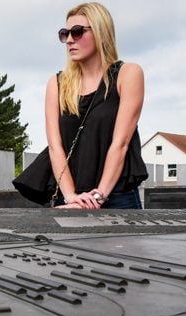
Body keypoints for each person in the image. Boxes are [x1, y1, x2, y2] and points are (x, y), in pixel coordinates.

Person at [46, 2, 147, 209]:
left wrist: (98, 197)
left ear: (100, 32)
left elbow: (121, 143)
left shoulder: (128, 74)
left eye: (77, 32)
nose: (70, 40)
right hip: (71, 196)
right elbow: (55, 146)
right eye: (65, 34)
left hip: (117, 196)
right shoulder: (57, 84)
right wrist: (70, 196)